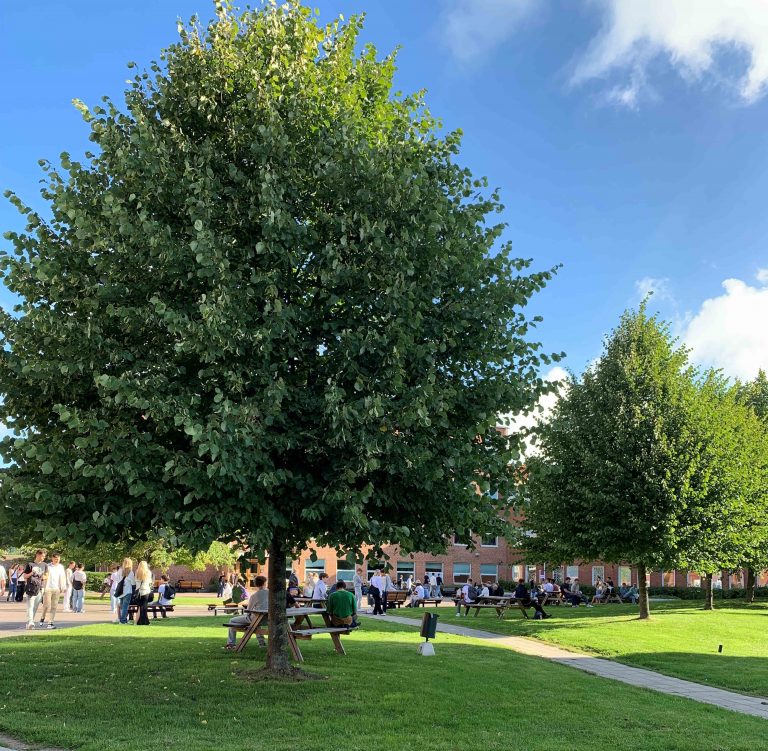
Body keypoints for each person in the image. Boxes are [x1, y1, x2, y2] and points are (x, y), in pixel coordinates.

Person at [225, 575, 268, 649]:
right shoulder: (271, 594)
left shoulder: (255, 596)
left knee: (231, 621)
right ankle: (262, 643)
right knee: (256, 623)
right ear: (264, 583)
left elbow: (248, 610)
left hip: (256, 619)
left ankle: (231, 643)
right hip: (268, 619)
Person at [38, 552, 66, 629]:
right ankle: (42, 617)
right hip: (48, 588)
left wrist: (63, 587)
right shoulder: (48, 566)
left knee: (54, 606)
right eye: (55, 559)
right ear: (52, 559)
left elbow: (62, 577)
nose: (57, 560)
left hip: (56, 589)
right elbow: (43, 576)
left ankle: (50, 622)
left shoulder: (61, 567)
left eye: (58, 559)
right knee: (46, 606)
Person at [23, 549, 48, 630]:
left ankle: (30, 622)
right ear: (37, 555)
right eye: (42, 556)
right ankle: (30, 622)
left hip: (40, 588)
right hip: (31, 588)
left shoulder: (45, 565)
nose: (43, 558)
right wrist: (32, 573)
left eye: (44, 556)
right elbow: (25, 576)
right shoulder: (30, 564)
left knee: (35, 607)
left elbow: (47, 576)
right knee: (30, 606)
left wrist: (42, 576)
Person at [117, 558, 136, 624]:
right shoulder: (130, 572)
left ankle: (122, 620)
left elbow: (117, 580)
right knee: (125, 606)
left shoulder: (119, 570)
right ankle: (123, 620)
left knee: (122, 606)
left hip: (120, 591)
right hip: (128, 591)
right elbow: (133, 583)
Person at [135, 561, 153, 625]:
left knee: (139, 607)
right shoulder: (148, 572)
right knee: (144, 607)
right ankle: (145, 621)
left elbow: (135, 581)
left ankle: (139, 621)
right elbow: (150, 582)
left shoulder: (137, 572)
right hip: (146, 591)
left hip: (139, 591)